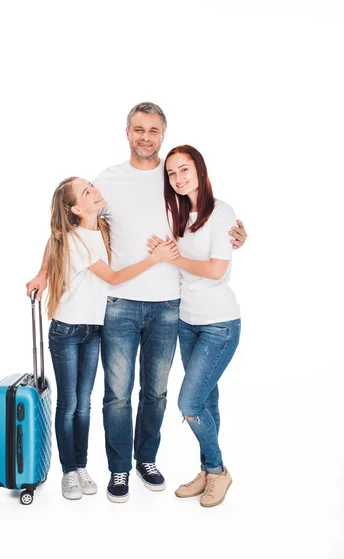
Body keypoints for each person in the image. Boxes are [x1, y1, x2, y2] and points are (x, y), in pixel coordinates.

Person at [27, 102, 247, 503]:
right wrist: (44, 272)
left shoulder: (174, 179)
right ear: (127, 132)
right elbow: (68, 227)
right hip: (120, 304)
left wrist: (237, 234)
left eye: (154, 131)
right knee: (116, 393)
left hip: (170, 306)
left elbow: (209, 219)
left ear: (163, 135)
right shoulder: (108, 180)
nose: (146, 137)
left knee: (157, 393)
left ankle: (146, 459)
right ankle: (118, 469)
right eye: (138, 129)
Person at [46, 175, 178, 500]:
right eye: (87, 191)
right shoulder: (77, 239)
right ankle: (68, 471)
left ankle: (81, 466)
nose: (96, 191)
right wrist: (155, 258)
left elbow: (53, 239)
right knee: (70, 404)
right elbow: (115, 277)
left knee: (84, 406)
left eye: (92, 186)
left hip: (93, 330)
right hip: (67, 330)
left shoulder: (99, 228)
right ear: (76, 208)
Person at [147, 144, 241, 508]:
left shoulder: (222, 212)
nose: (178, 178)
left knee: (189, 403)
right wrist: (166, 255)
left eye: (184, 170)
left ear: (200, 171)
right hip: (188, 323)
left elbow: (217, 269)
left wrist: (177, 258)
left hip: (220, 325)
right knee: (207, 400)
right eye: (171, 173)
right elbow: (182, 263)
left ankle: (217, 471)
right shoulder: (183, 217)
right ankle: (208, 470)